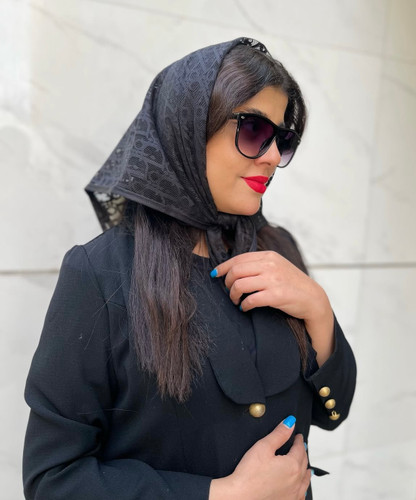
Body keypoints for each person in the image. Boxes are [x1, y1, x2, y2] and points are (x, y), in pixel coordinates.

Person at [23, 37, 356, 499]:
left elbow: (330, 414)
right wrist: (222, 494)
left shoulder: (278, 249)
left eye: (282, 140)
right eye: (254, 130)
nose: (271, 158)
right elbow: (52, 479)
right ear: (189, 126)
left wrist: (319, 311)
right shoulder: (100, 273)